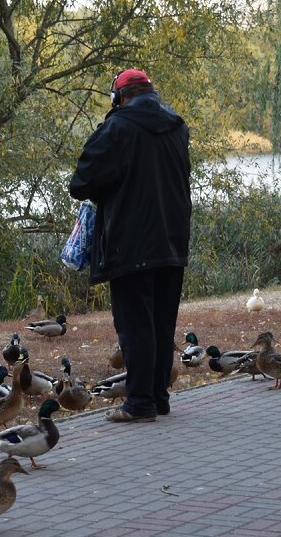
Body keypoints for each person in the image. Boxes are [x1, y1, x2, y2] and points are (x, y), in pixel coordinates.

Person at [69, 69, 191, 423]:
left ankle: (139, 403)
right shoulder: (177, 126)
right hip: (173, 240)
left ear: (119, 97)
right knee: (161, 323)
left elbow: (82, 182)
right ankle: (157, 398)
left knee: (135, 325)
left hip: (130, 243)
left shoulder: (117, 128)